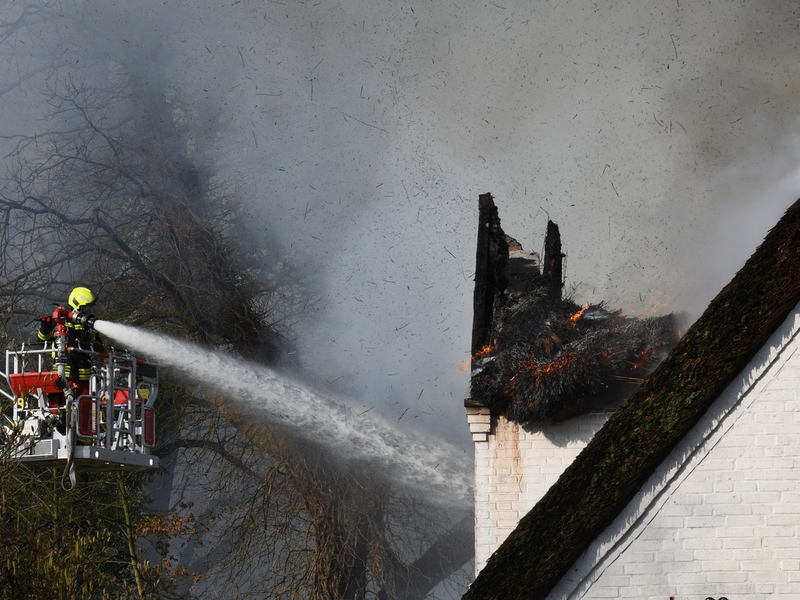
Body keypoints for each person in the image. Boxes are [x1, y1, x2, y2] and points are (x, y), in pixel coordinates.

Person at [37, 286, 104, 398]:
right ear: (77, 306)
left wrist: (99, 347)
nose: (88, 311)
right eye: (86, 308)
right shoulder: (59, 321)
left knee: (85, 408)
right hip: (62, 376)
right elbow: (41, 341)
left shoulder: (89, 328)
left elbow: (100, 346)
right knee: (60, 409)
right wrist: (45, 327)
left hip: (84, 377)